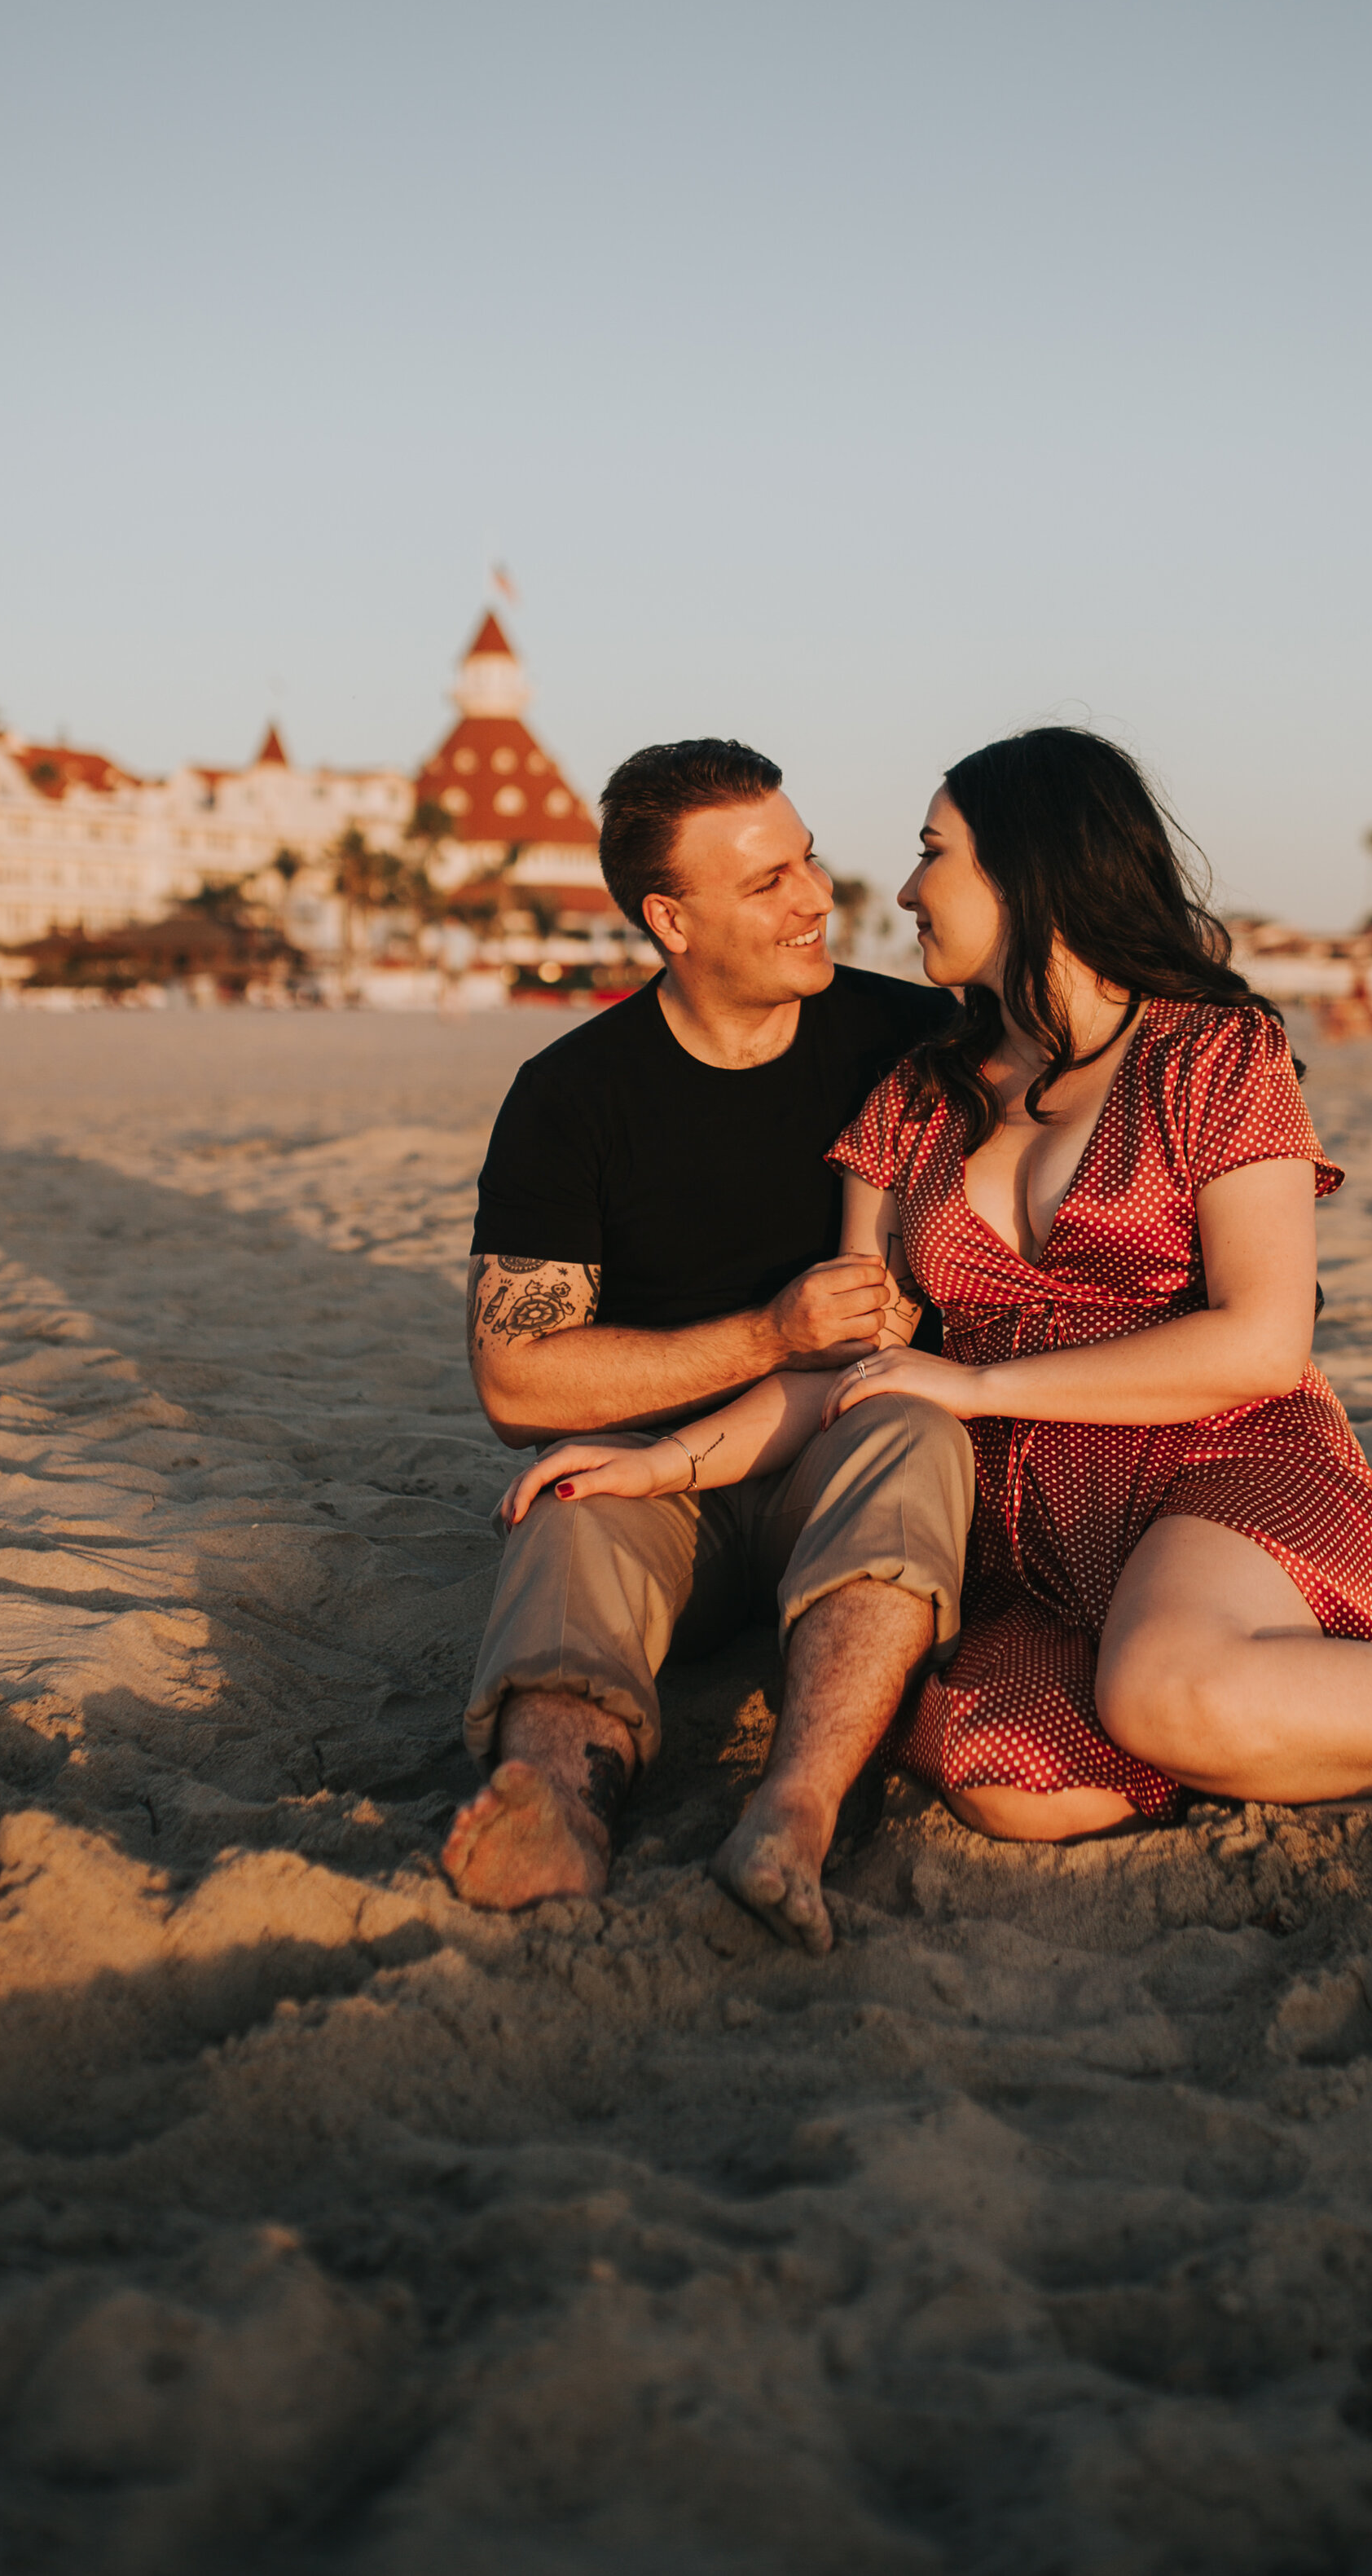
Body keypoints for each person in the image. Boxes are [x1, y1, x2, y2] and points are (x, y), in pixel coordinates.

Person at [508, 729, 1372, 1872]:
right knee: (1014, 1787)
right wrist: (653, 1463)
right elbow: (840, 1365)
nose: (900, 885)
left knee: (1157, 1689)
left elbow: (1262, 1340)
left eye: (934, 851)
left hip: (1217, 1458)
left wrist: (974, 1384)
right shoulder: (913, 1097)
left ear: (1029, 871)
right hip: (1037, 1526)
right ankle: (1296, 1716)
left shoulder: (1213, 1052)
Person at [440, 738, 967, 1945]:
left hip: (834, 1453)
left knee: (912, 1431)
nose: (814, 898)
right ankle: (560, 1809)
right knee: (562, 1502)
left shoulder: (908, 1040)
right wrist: (767, 1329)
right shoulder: (572, 1095)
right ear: (671, 918)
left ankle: (796, 1806)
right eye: (767, 881)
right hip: (653, 1480)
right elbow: (518, 1376)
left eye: (808, 860)